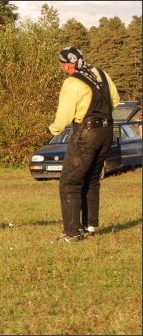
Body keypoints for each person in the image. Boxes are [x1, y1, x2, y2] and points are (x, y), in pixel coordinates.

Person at [49, 46, 120, 242]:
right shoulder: (101, 73)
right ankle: (90, 226)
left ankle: (72, 233)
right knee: (92, 178)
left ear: (66, 64)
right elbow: (115, 99)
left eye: (61, 63)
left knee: (69, 182)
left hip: (86, 133)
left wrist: (53, 130)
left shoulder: (72, 83)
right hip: (106, 131)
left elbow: (64, 115)